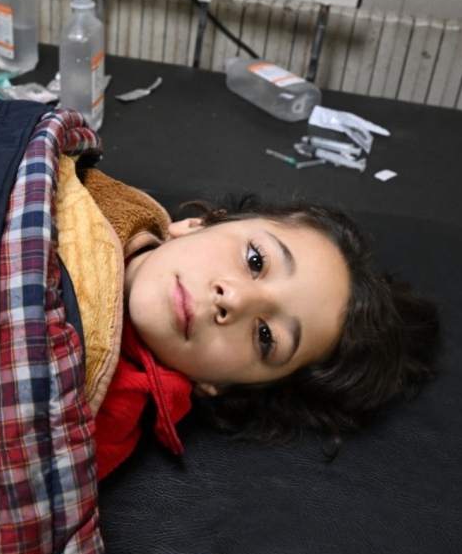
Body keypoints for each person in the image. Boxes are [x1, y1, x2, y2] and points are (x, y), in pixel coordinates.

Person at [72, 168, 441, 479]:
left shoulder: (95, 422)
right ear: (199, 224)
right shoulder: (81, 181)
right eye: (255, 261)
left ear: (221, 387)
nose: (234, 299)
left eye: (266, 336)